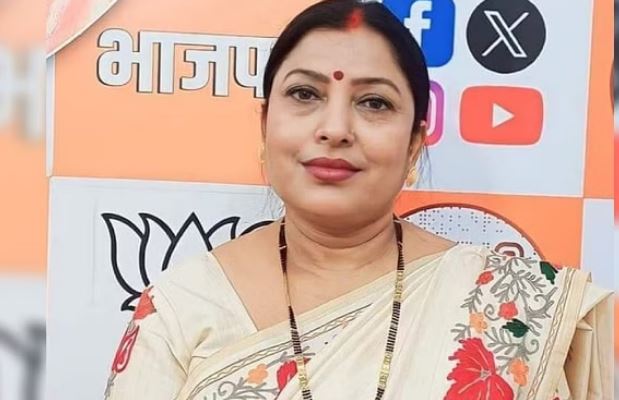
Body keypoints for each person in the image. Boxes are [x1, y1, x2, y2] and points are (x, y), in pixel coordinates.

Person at [103, 1, 613, 399]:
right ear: (265, 124)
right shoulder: (183, 308)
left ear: (414, 143)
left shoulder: (513, 306)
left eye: (374, 102)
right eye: (305, 94)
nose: (335, 129)